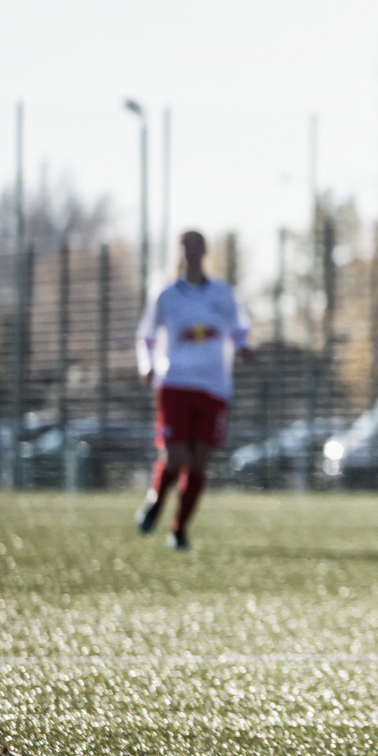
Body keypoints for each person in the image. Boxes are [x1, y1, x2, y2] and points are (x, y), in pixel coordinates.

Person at [133, 231, 253, 550]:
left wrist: (243, 347)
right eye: (188, 247)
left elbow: (240, 327)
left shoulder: (223, 293)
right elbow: (145, 337)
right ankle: (156, 501)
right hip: (175, 383)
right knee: (176, 455)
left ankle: (179, 529)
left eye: (199, 247)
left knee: (199, 461)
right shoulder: (166, 294)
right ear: (180, 252)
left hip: (213, 386)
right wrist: (146, 364)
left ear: (206, 251)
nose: (194, 253)